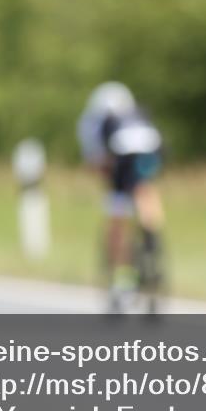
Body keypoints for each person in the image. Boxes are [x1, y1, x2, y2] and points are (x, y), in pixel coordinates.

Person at [77, 81, 165, 312]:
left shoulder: (95, 120)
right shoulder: (137, 114)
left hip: (122, 156)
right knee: (144, 188)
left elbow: (97, 161)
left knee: (117, 212)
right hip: (152, 149)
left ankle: (121, 278)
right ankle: (152, 236)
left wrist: (107, 178)